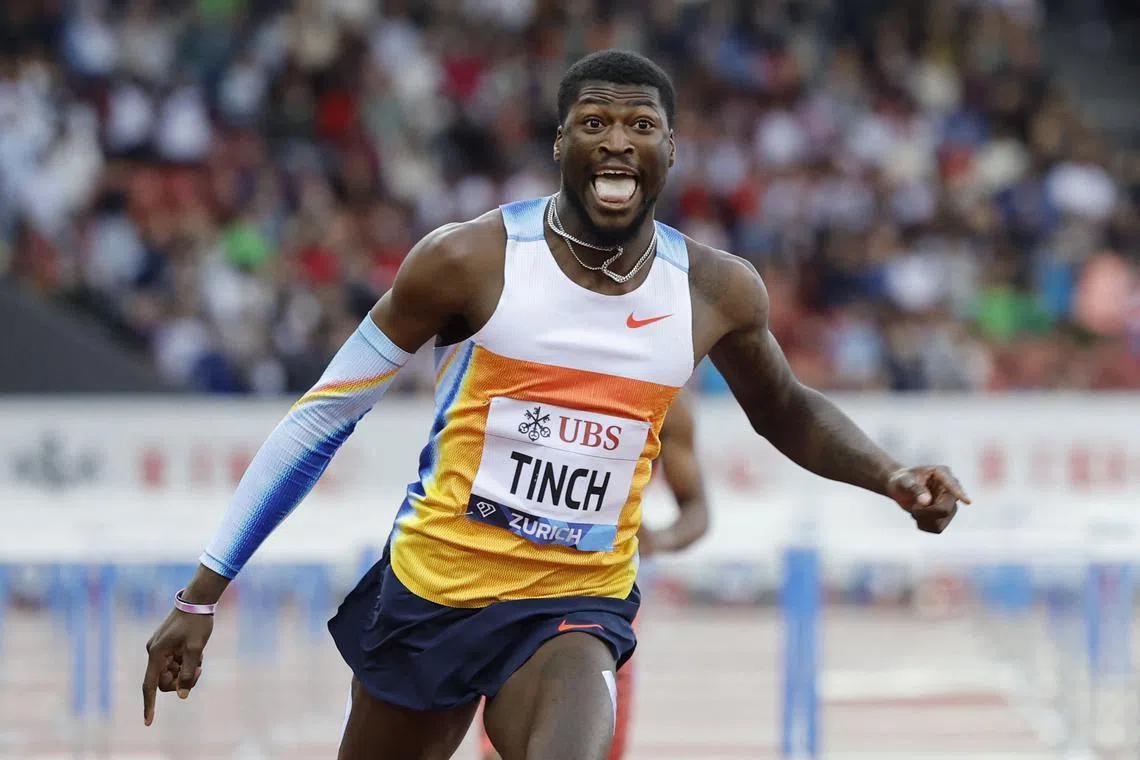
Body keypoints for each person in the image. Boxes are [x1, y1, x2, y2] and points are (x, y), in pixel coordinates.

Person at [141, 49, 971, 760]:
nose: (618, 140)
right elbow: (323, 417)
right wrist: (200, 596)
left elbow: (785, 408)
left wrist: (890, 474)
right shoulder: (468, 261)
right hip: (435, 588)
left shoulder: (716, 290)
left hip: (576, 601)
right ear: (560, 143)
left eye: (641, 126)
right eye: (595, 123)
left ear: (671, 150)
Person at [475, 389, 709, 760]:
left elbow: (698, 509)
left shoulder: (663, 391)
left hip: (601, 601)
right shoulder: (525, 370)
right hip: (508, 591)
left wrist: (659, 539)